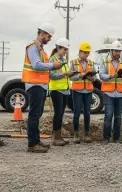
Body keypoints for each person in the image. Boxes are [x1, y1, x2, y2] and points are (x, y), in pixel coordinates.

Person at [22, 23, 62, 153]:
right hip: (35, 85)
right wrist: (52, 65)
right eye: (48, 37)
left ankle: (36, 141)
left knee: (37, 114)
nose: (49, 39)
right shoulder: (33, 47)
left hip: (40, 85)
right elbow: (36, 65)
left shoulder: (40, 48)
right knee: (34, 114)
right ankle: (32, 144)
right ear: (43, 34)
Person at [99, 40, 122, 144]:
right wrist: (110, 76)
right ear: (111, 51)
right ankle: (106, 138)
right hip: (109, 93)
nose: (118, 53)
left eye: (119, 51)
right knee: (108, 116)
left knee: (118, 117)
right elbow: (101, 75)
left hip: (120, 93)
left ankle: (116, 138)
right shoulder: (104, 61)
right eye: (116, 51)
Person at [69, 41, 97, 144]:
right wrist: (81, 75)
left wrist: (92, 78)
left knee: (87, 113)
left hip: (88, 91)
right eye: (84, 52)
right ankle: (76, 134)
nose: (86, 54)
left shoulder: (91, 63)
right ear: (80, 52)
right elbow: (71, 77)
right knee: (76, 113)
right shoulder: (73, 63)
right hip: (77, 91)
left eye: (88, 52)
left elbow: (95, 78)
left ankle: (86, 134)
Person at [48, 38, 75, 146]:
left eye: (66, 50)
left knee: (61, 114)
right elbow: (52, 76)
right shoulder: (52, 59)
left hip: (64, 90)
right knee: (58, 114)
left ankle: (59, 136)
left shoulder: (63, 60)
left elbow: (65, 75)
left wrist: (71, 74)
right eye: (64, 49)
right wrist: (65, 74)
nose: (66, 51)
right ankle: (56, 138)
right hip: (56, 90)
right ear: (58, 48)